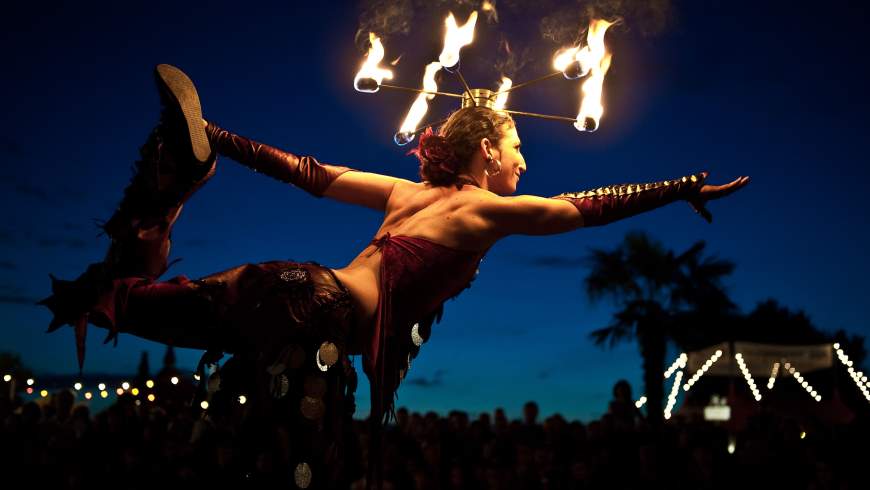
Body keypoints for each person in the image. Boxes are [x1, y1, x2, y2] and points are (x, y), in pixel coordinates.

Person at [39, 64, 750, 489]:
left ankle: (182, 169)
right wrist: (681, 185)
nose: (525, 163)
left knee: (144, 304)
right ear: (486, 153)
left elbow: (307, 174)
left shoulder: (405, 195)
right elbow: (589, 208)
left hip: (298, 291)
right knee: (177, 332)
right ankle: (177, 179)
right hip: (323, 312)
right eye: (518, 147)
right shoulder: (485, 212)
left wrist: (217, 135)